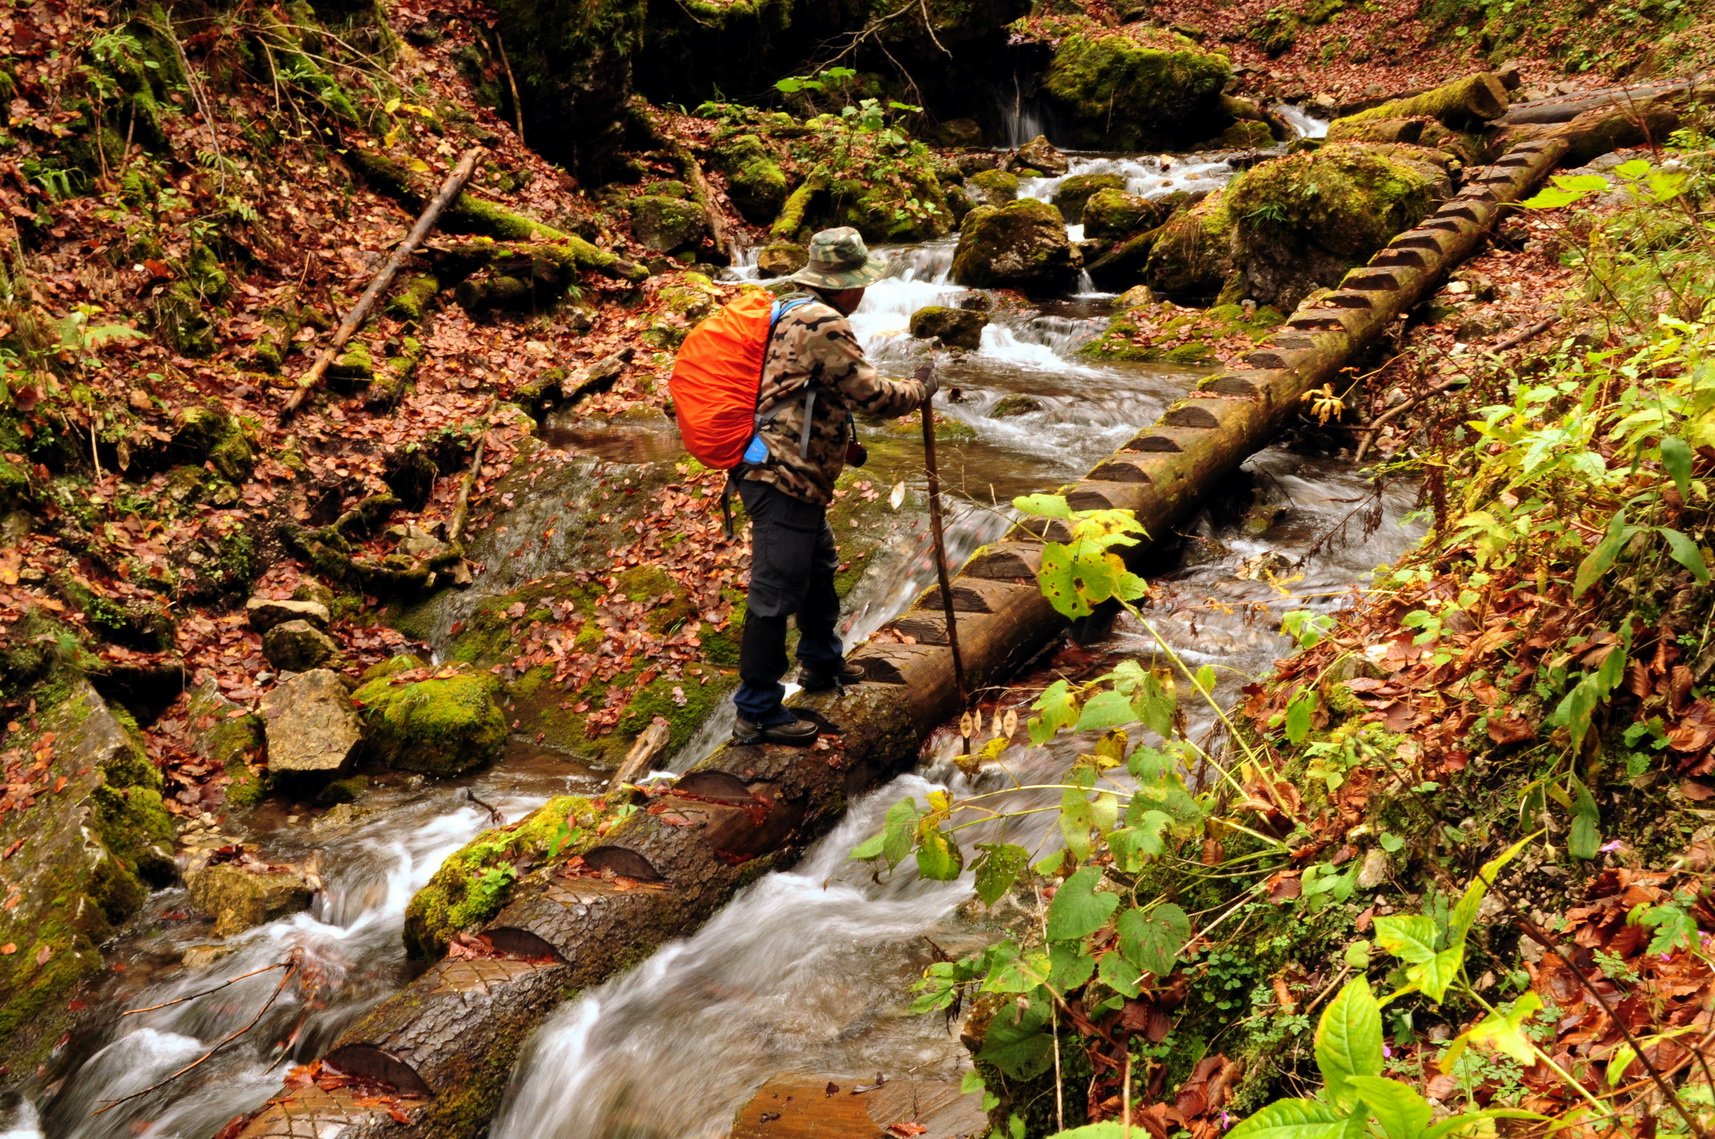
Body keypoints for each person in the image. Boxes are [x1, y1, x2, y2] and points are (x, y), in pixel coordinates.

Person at [732, 227, 935, 746]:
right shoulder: (824, 323)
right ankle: (756, 710)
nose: (864, 291)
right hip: (781, 475)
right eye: (860, 282)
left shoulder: (795, 309)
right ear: (844, 284)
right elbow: (873, 398)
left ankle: (820, 662)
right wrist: (920, 387)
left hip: (791, 475)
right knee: (775, 593)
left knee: (818, 570)